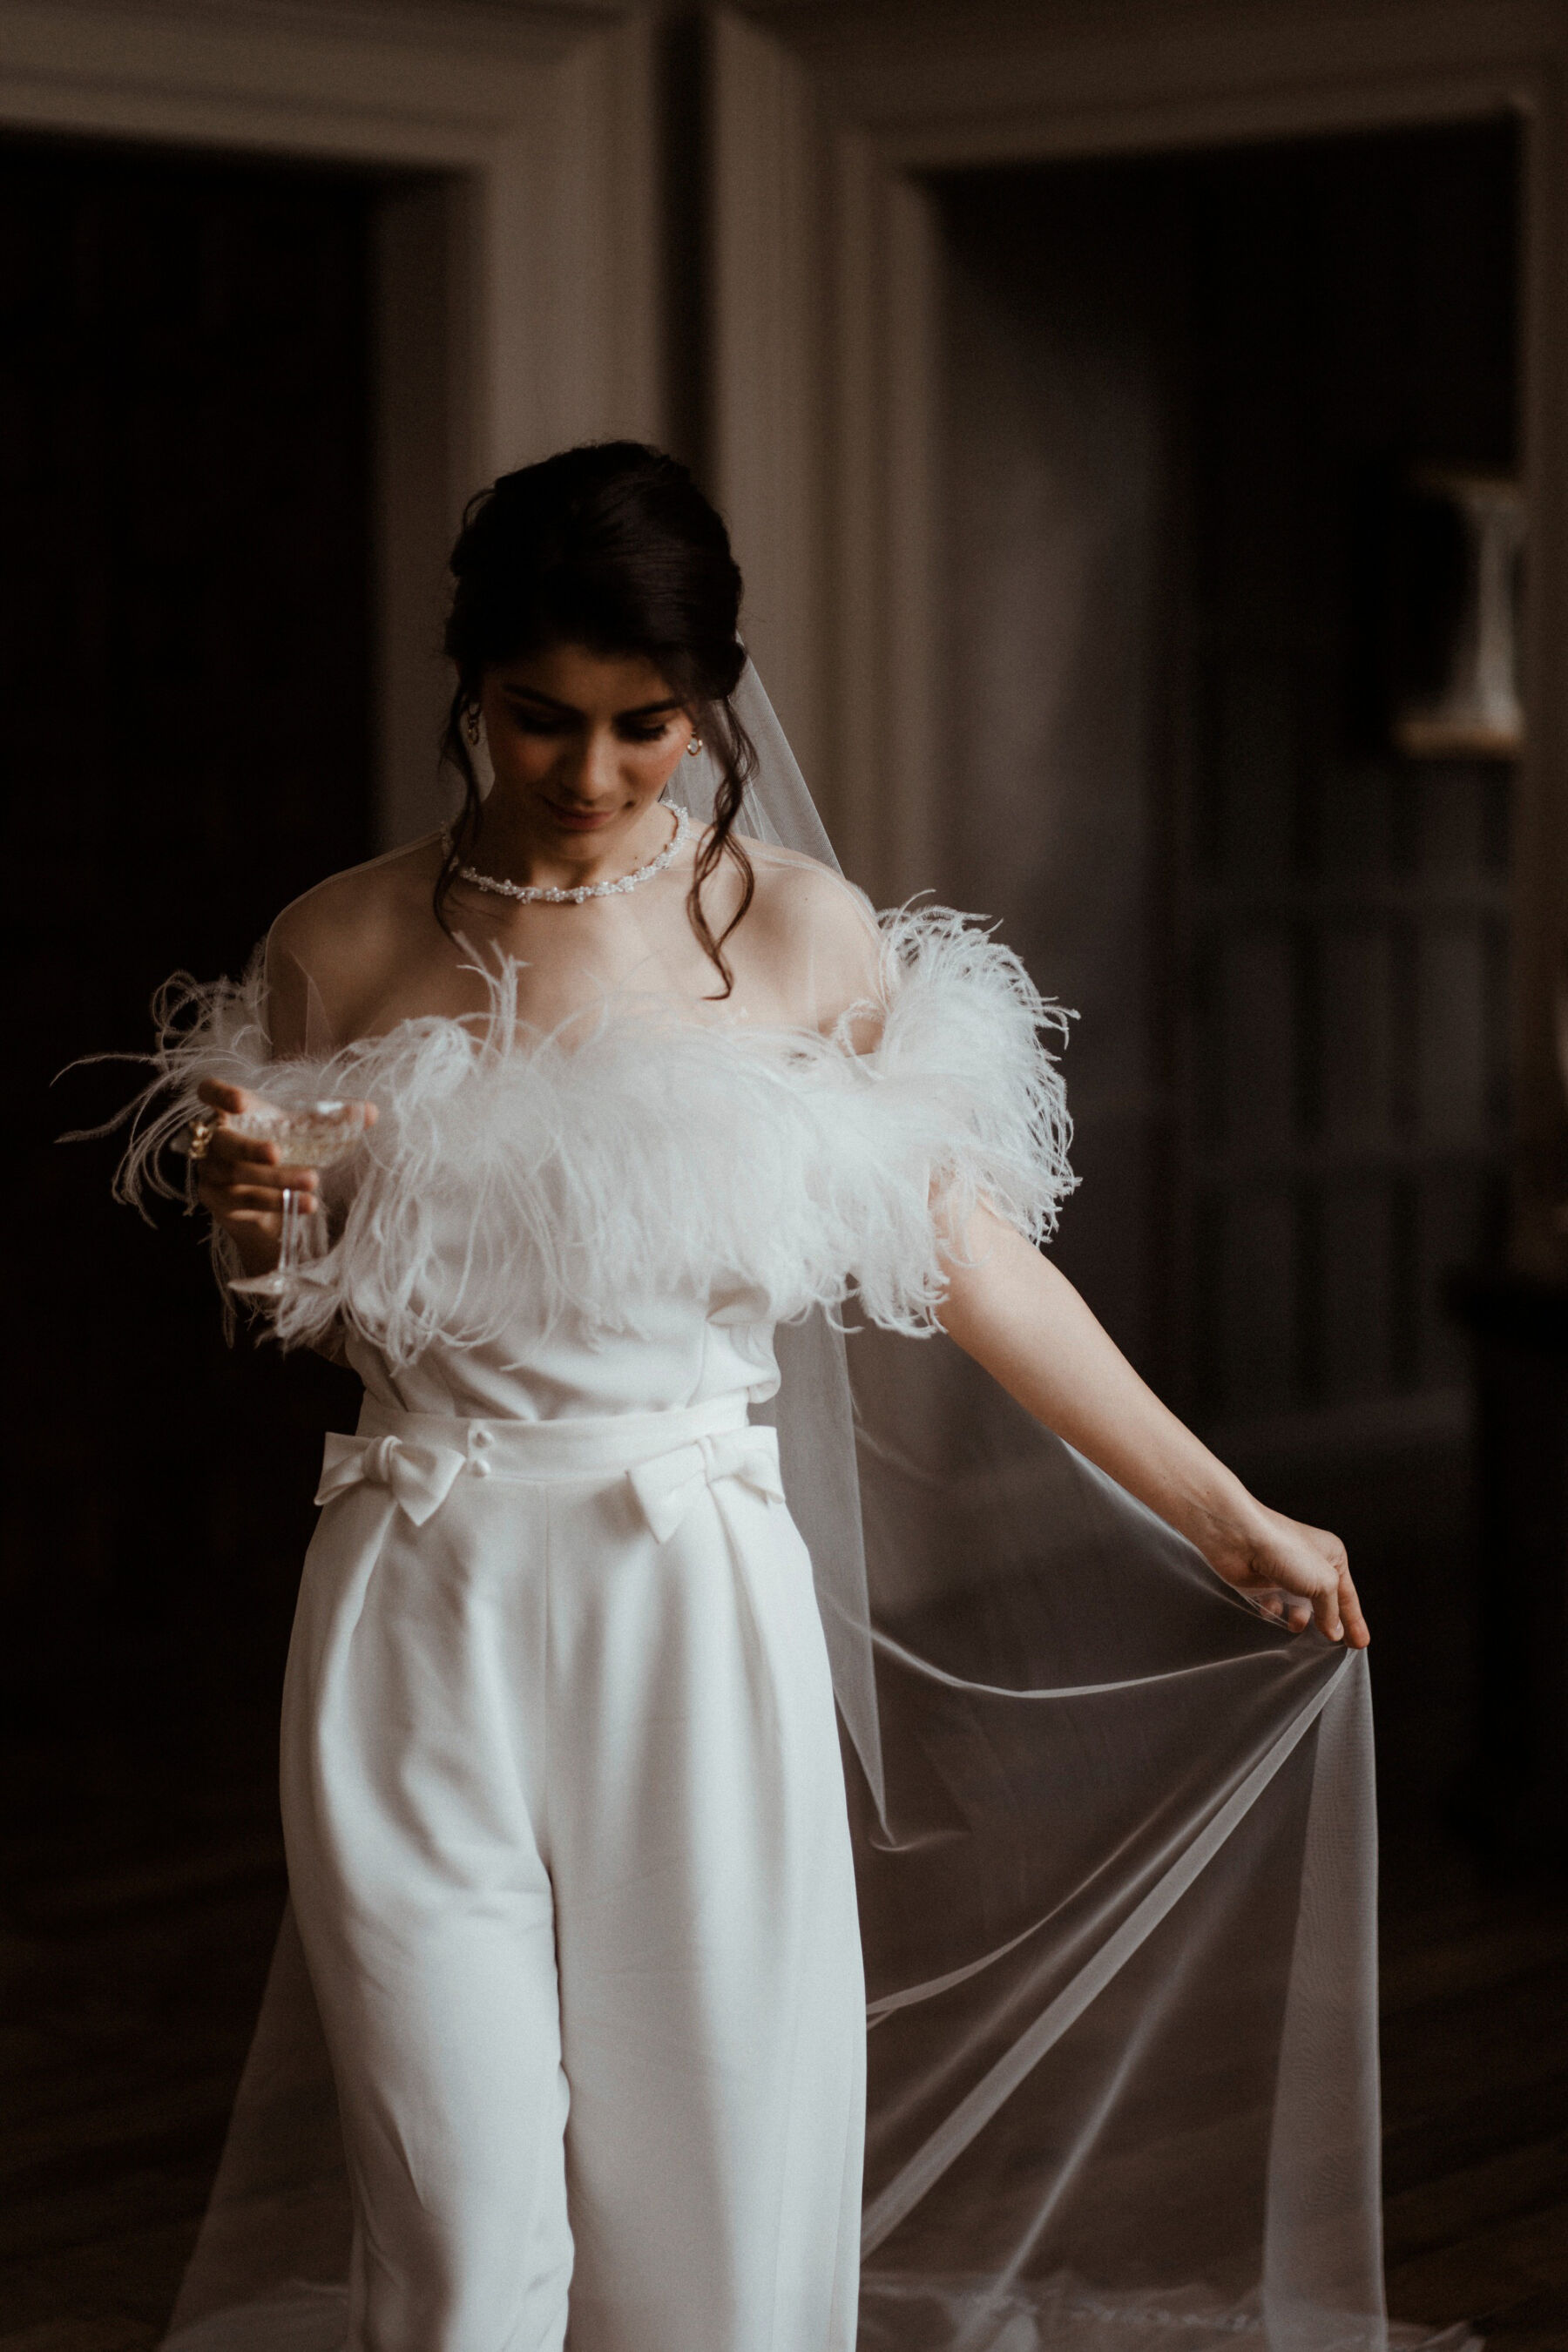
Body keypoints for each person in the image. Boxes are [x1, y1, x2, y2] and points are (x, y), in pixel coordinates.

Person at [119, 443, 1401, 2352]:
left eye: (649, 725)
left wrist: (1227, 1513)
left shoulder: (801, 937)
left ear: (712, 701)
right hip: (413, 1587)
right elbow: (298, 1297)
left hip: (688, 1592)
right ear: (470, 683)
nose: (591, 770)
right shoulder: (341, 940)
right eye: (544, 718)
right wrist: (251, 1217)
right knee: (459, 2240)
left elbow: (970, 1263)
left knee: (713, 2215)